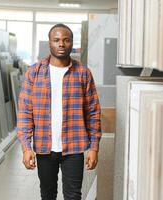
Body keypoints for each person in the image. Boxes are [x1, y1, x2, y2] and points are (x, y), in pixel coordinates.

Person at [17, 23, 102, 200]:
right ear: (49, 43)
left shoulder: (83, 73)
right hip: (44, 148)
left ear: (72, 43)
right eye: (56, 40)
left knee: (73, 195)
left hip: (74, 147)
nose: (61, 44)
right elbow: (25, 112)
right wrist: (26, 147)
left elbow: (93, 113)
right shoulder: (34, 73)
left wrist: (94, 147)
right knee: (47, 195)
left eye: (66, 40)